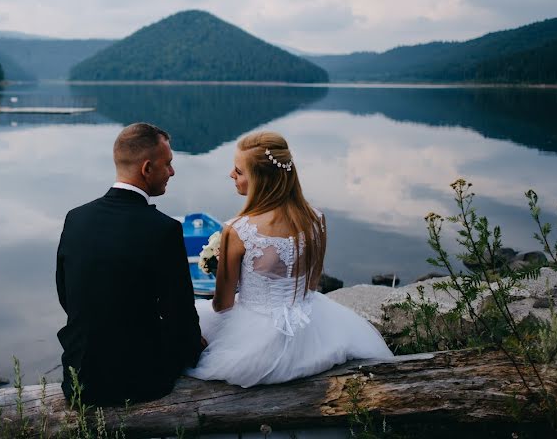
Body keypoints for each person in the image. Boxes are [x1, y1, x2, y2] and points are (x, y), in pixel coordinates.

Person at [186, 131, 392, 386]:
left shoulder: (238, 230)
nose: (231, 175)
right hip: (311, 322)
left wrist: (227, 275)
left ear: (260, 180)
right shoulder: (316, 219)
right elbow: (312, 282)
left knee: (193, 320)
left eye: (238, 171)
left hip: (256, 335)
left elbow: (223, 305)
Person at [56, 122, 203, 406]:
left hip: (80, 376)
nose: (172, 172)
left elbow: (67, 295)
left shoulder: (75, 218)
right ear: (147, 169)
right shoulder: (163, 229)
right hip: (139, 381)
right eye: (168, 164)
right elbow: (180, 313)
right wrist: (193, 348)